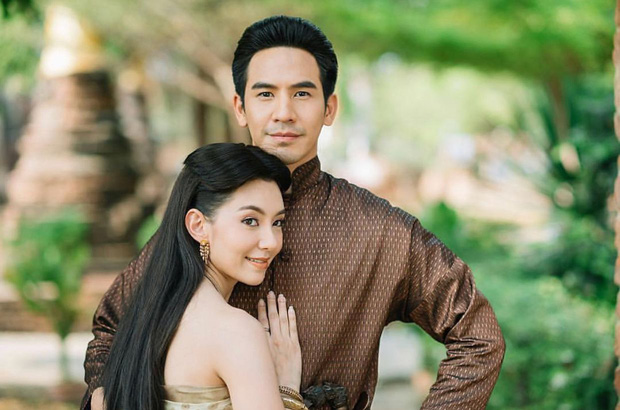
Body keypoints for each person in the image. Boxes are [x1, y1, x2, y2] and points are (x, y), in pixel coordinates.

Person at [83, 15, 505, 410]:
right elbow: (111, 330)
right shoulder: (204, 218)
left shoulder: (383, 232)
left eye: (302, 93)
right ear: (240, 107)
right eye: (265, 94)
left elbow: (479, 337)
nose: (283, 112)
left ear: (329, 108)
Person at [97, 143, 308, 410]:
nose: (271, 242)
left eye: (277, 223)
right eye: (250, 221)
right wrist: (287, 390)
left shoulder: (145, 318)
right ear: (198, 225)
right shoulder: (236, 332)